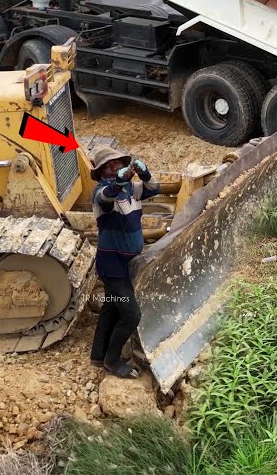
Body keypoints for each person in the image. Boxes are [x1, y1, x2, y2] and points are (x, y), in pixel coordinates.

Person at [88, 145, 160, 378]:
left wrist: (145, 173)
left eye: (117, 163)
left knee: (111, 305)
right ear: (100, 174)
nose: (113, 168)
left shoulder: (132, 189)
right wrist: (118, 183)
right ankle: (111, 360)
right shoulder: (101, 193)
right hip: (113, 267)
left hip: (125, 264)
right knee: (130, 314)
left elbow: (154, 188)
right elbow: (107, 197)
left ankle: (98, 355)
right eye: (107, 167)